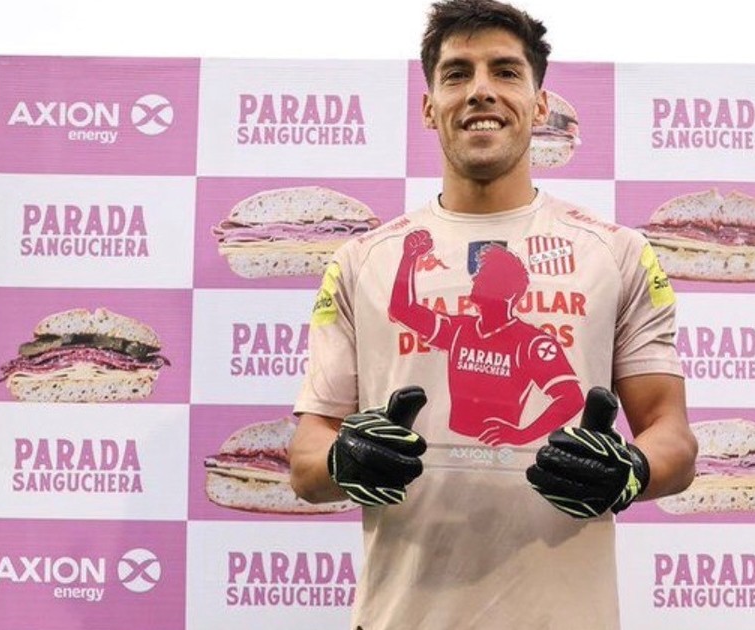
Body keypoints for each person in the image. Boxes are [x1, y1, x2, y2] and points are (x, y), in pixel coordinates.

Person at [288, 1, 697, 628]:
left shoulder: (617, 253)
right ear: (429, 107)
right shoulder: (360, 260)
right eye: (457, 74)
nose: (481, 89)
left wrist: (631, 469)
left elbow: (673, 437)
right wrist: (345, 460)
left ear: (540, 105)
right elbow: (306, 460)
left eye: (505, 71)